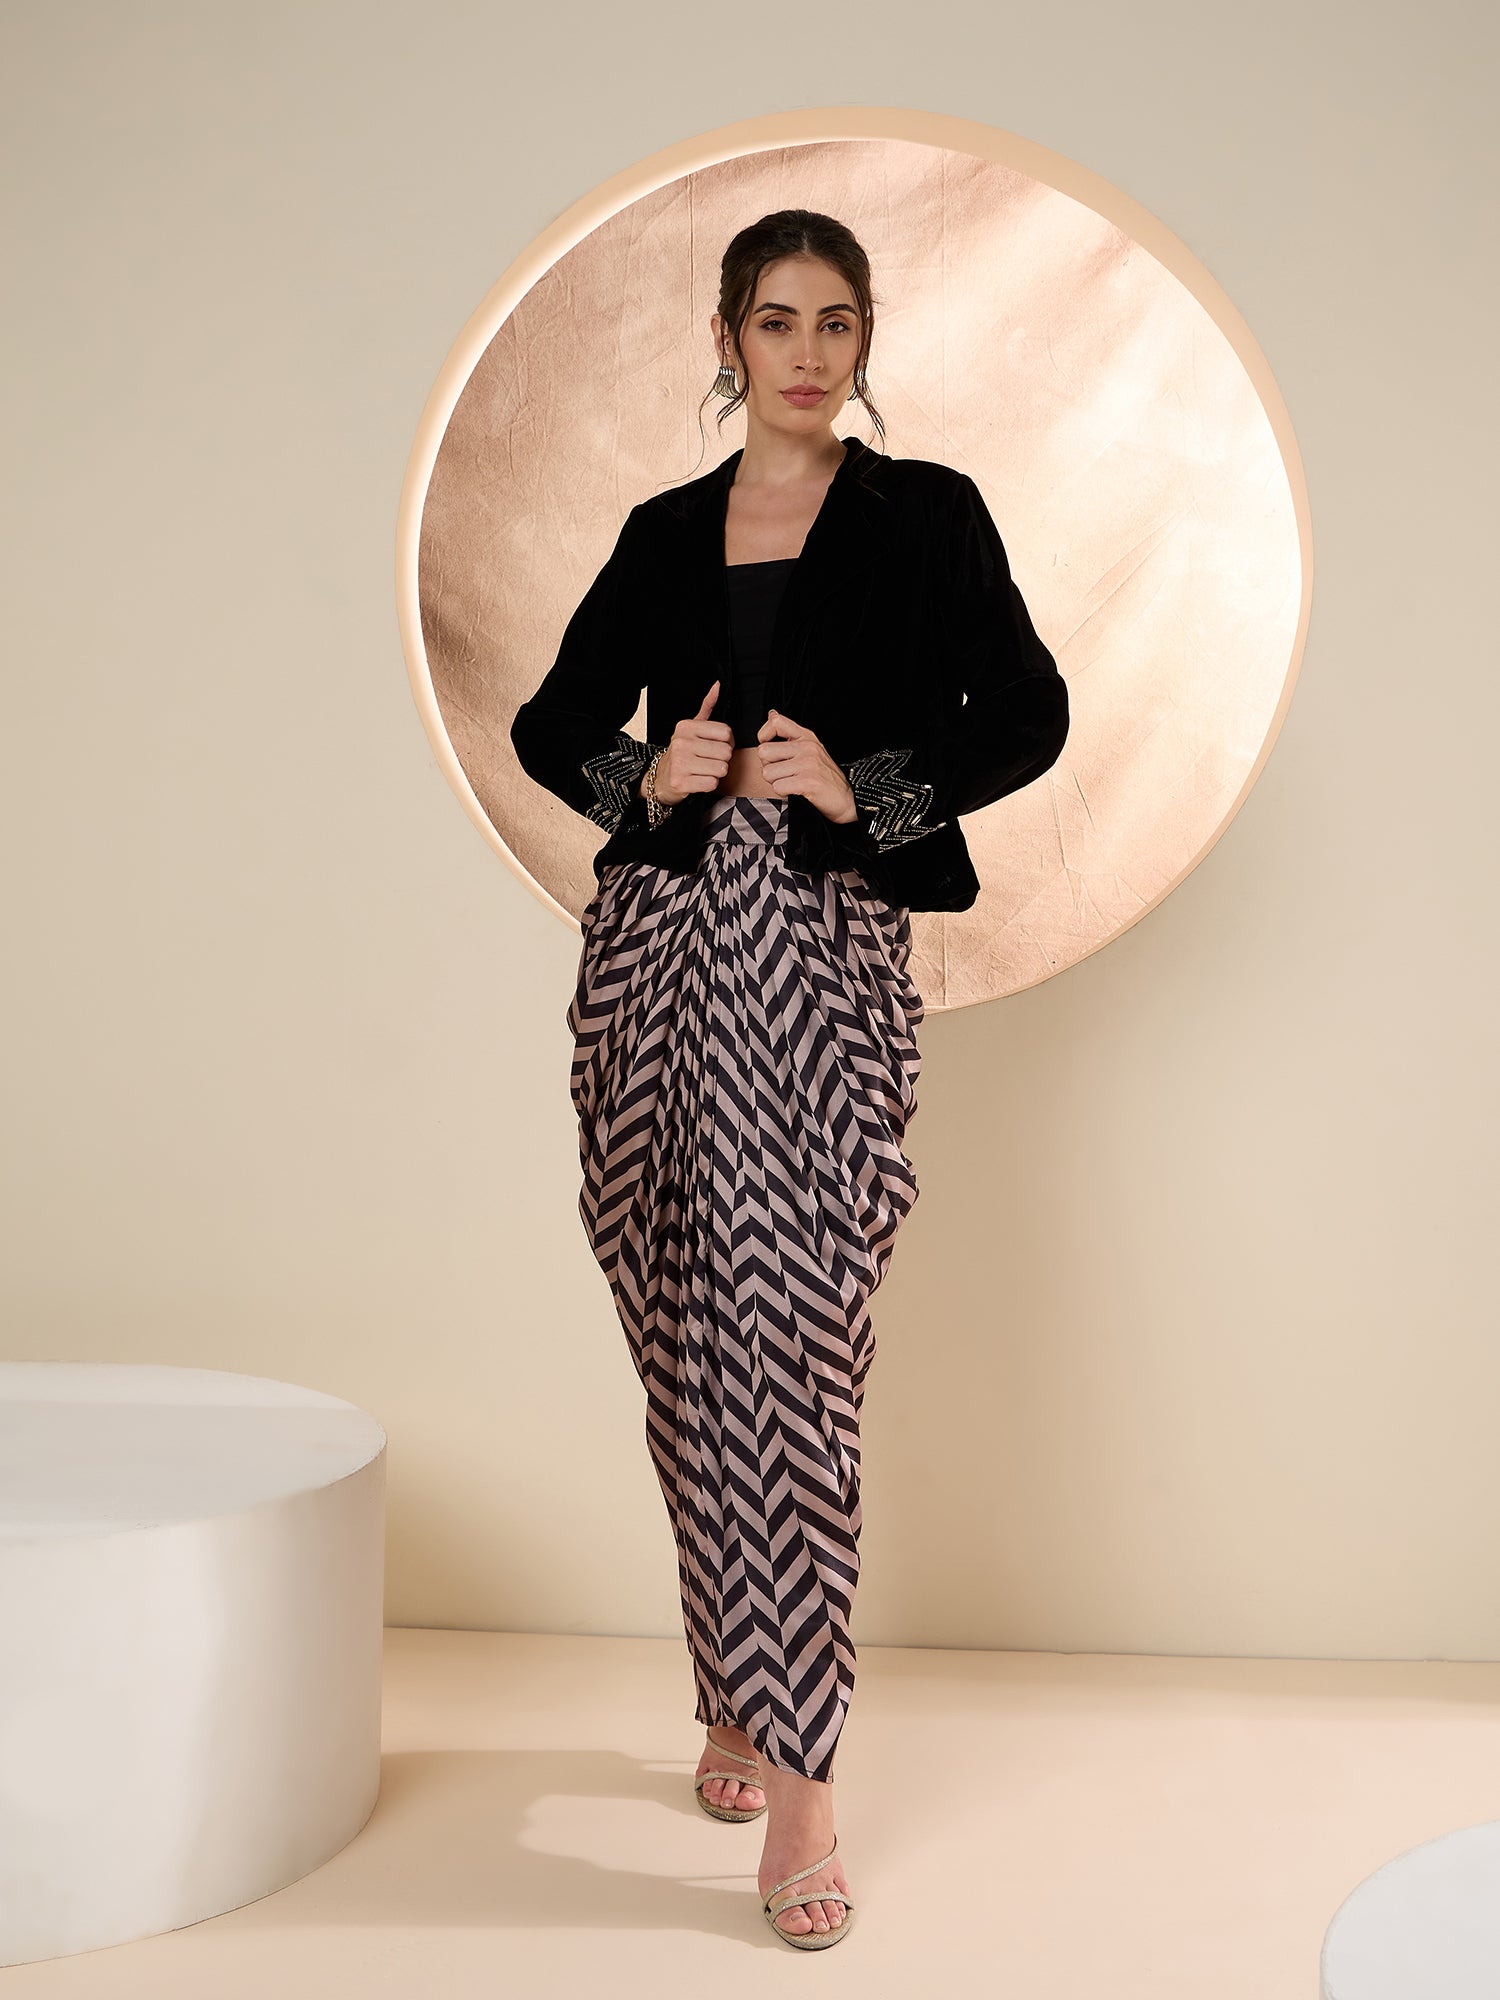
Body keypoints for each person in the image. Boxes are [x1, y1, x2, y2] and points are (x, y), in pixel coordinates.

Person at [511, 209, 1070, 1950]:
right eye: (777, 320)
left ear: (867, 339)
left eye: (837, 320)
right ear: (727, 340)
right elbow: (548, 725)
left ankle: (806, 1784)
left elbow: (1031, 711)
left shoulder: (930, 515)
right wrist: (644, 775)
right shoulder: (664, 530)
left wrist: (863, 787)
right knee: (688, 1334)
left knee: (793, 1348)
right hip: (657, 963)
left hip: (821, 960)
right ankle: (737, 1694)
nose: (809, 351)